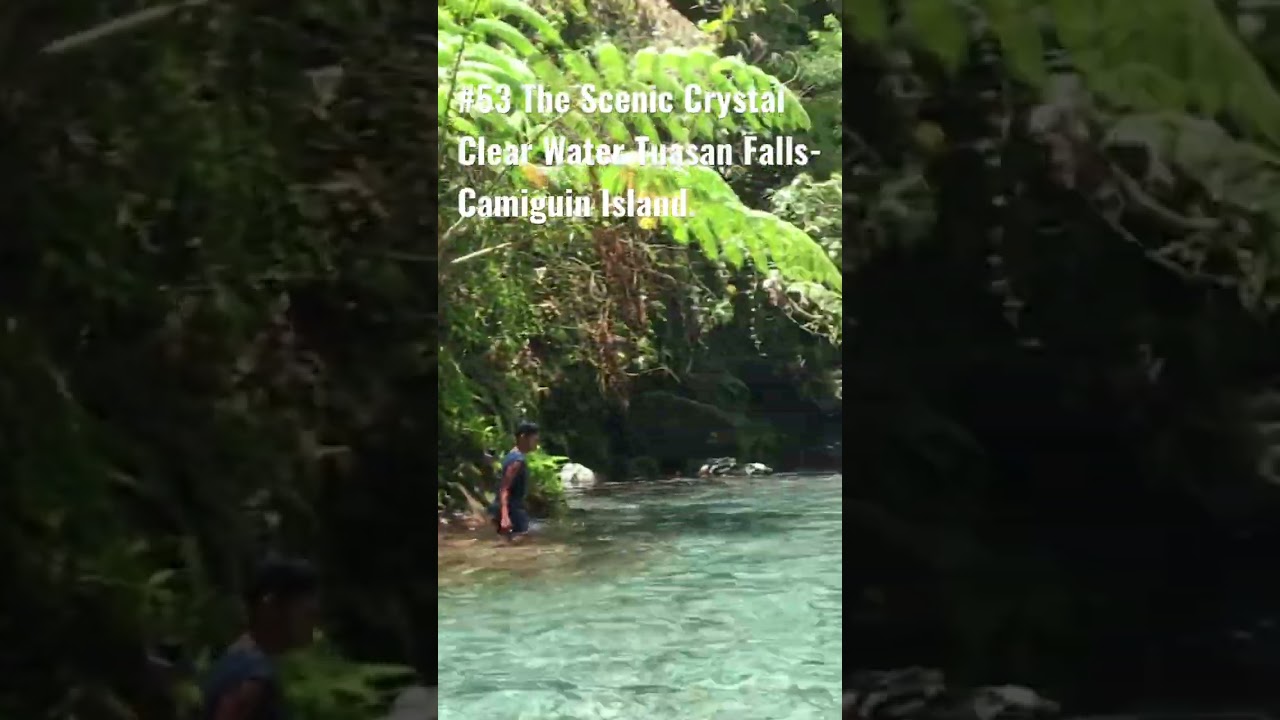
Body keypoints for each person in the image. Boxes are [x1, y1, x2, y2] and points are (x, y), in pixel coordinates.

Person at [200, 555, 321, 720]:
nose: (313, 623)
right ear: (270, 607)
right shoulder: (255, 678)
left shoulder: (239, 660)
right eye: (307, 614)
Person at [488, 421, 539, 541]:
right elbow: (504, 489)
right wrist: (505, 516)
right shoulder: (517, 461)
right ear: (523, 437)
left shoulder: (512, 455)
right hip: (512, 510)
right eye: (534, 440)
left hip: (509, 508)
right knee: (520, 543)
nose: (536, 444)